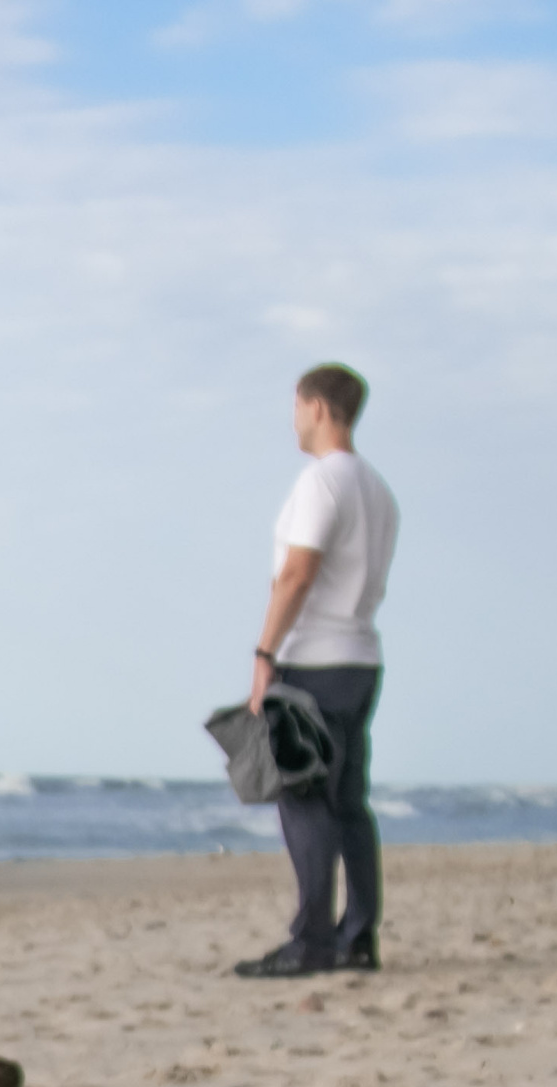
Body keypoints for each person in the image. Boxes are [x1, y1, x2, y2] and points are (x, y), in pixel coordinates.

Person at [235, 362, 401, 979]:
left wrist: (264, 655)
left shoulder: (323, 482)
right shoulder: (377, 489)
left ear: (318, 407)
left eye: (297, 405)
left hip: (315, 661)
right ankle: (357, 935)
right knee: (349, 804)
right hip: (361, 660)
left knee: (305, 801)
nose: (294, 418)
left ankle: (312, 943)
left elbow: (297, 573)